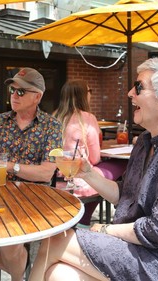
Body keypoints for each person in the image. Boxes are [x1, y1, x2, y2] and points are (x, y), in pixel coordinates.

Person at [28, 55, 158, 281]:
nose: (130, 93)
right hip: (137, 248)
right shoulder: (145, 141)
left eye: (138, 87)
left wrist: (104, 229)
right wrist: (89, 173)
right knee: (59, 274)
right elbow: (126, 195)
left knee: (55, 239)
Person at [0, 67, 62, 281]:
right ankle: (21, 269)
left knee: (10, 239)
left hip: (35, 198)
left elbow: (46, 173)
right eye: (12, 90)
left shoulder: (51, 126)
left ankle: (18, 274)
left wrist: (10, 167)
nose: (14, 96)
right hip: (0, 193)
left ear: (38, 97)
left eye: (21, 92)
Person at [52, 80, 104, 227]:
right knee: (112, 171)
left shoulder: (54, 116)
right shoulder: (87, 118)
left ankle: (72, 222)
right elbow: (94, 158)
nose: (91, 95)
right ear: (82, 95)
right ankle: (83, 221)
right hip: (77, 182)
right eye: (90, 92)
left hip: (55, 180)